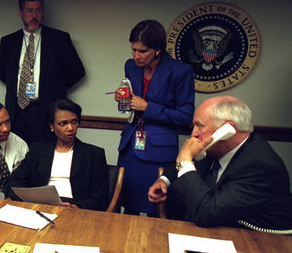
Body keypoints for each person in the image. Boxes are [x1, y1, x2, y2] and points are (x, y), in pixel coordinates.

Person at [148, 96, 292, 231]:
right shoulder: (214, 149)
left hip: (259, 243)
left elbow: (206, 213)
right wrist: (164, 179)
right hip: (212, 232)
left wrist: (184, 159)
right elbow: (187, 164)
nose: (193, 134)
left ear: (227, 130)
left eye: (200, 126)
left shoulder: (260, 166)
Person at [114, 20, 195, 216]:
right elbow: (133, 102)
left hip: (159, 151)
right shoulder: (131, 66)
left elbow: (185, 116)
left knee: (156, 210)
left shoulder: (180, 71)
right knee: (126, 207)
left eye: (142, 51)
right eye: (133, 49)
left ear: (157, 49)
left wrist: (148, 108)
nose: (136, 56)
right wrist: (124, 98)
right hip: (130, 146)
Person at [0, 0, 85, 145]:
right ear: (21, 12)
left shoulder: (59, 39)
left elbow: (77, 71)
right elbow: (1, 72)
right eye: (29, 11)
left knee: (44, 159)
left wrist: (53, 87)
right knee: (17, 158)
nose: (34, 16)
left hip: (46, 111)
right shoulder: (9, 41)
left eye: (38, 10)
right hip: (16, 112)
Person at [3, 99, 109, 211]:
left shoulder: (94, 154)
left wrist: (76, 206)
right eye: (63, 123)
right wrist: (32, 200)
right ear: (51, 126)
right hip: (41, 207)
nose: (70, 128)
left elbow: (101, 198)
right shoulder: (37, 150)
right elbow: (12, 183)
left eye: (74, 122)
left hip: (75, 210)